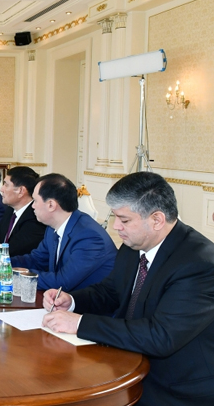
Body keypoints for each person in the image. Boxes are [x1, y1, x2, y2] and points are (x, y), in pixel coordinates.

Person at [43, 172, 214, 405]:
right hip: (128, 361)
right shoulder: (134, 245)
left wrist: (80, 323)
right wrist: (71, 301)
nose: (116, 227)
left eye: (124, 220)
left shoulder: (198, 263)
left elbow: (160, 336)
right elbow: (110, 291)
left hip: (175, 387)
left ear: (156, 220)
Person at [9, 173, 116, 291]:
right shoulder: (52, 228)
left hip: (85, 301)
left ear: (51, 205)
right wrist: (4, 263)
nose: (32, 206)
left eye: (35, 201)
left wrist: (12, 276)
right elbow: (36, 260)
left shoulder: (89, 237)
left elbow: (62, 282)